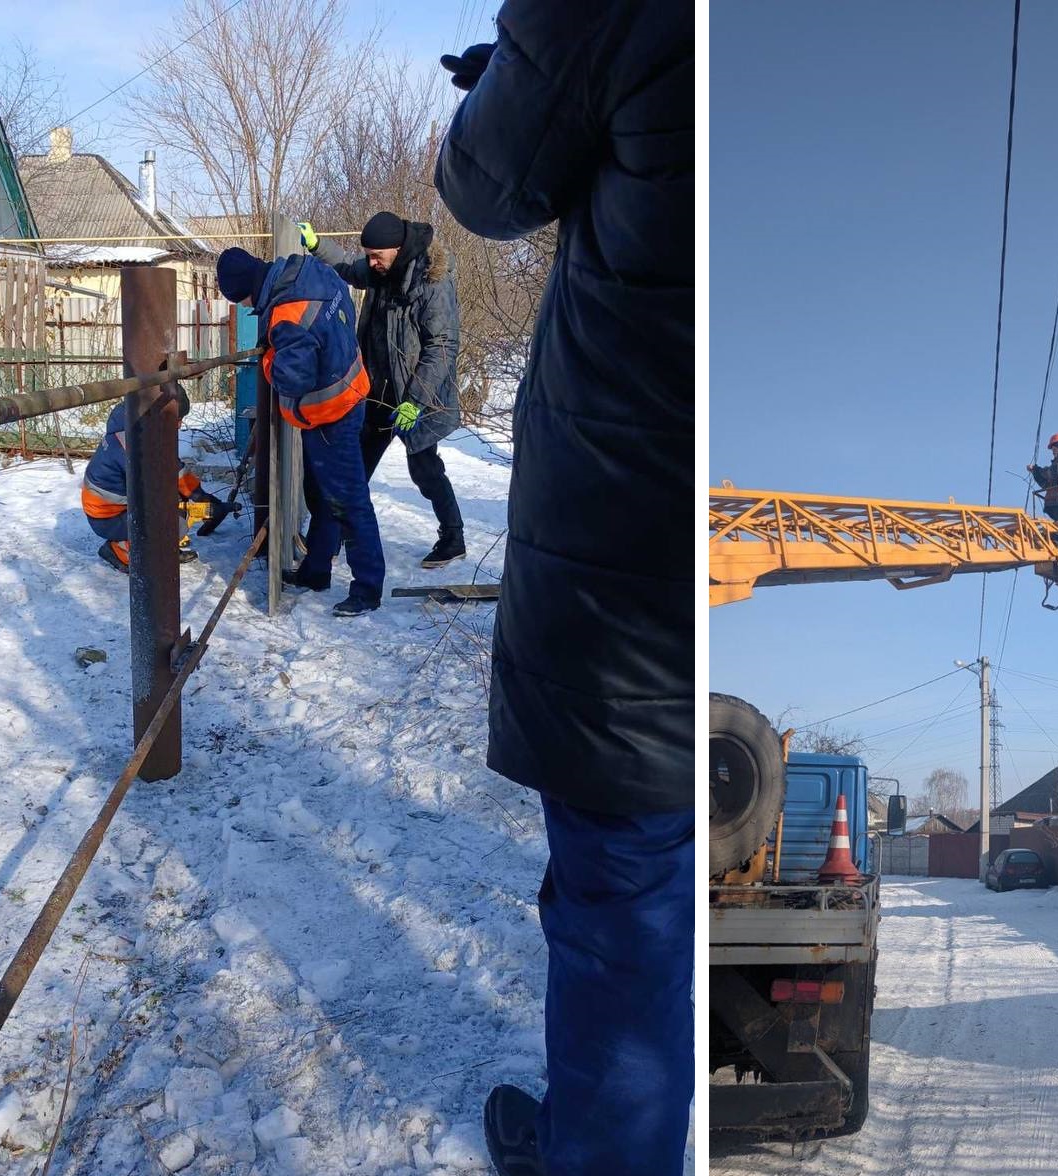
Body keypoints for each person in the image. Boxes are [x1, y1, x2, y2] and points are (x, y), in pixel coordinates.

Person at [435, 2, 693, 1173]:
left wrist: (531, 70)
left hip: (619, 570)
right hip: (675, 571)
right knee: (653, 896)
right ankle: (606, 1134)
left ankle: (600, 1151)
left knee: (621, 910)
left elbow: (486, 187)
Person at [216, 245, 385, 617]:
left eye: (243, 300)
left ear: (245, 289)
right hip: (352, 390)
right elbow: (343, 313)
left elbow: (292, 379)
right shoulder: (312, 271)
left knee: (349, 500)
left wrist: (269, 357)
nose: (246, 307)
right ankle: (316, 570)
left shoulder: (286, 313)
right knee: (324, 495)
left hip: (331, 413)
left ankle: (368, 588)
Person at [297, 212, 466, 569]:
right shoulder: (380, 272)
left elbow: (443, 345)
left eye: (377, 255)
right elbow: (346, 266)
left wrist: (415, 402)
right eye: (370, 255)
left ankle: (453, 537)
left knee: (424, 468)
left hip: (417, 396)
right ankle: (334, 538)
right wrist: (317, 246)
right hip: (376, 394)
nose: (372, 263)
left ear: (399, 248)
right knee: (354, 467)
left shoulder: (431, 282)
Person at [80, 391, 226, 573]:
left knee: (175, 504)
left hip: (116, 508)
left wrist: (201, 495)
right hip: (108, 518)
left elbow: (173, 469)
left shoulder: (136, 426)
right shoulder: (133, 441)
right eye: (177, 418)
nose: (179, 425)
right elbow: (160, 479)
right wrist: (184, 510)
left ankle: (161, 547)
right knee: (172, 523)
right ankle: (120, 550)